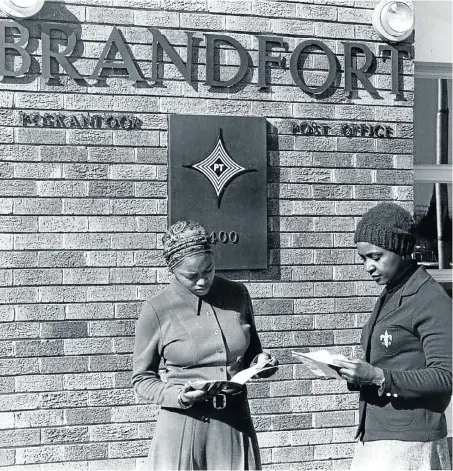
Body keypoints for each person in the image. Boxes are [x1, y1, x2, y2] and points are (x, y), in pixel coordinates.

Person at [132, 220, 278, 470]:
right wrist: (179, 396)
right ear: (173, 271)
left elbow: (253, 353)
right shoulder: (157, 309)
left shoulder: (238, 294)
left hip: (234, 422)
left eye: (208, 270)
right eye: (191, 276)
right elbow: (142, 379)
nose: (202, 281)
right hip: (183, 425)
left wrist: (262, 363)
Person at [333, 202, 452, 470]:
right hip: (376, 434)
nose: (368, 267)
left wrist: (378, 377)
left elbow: (446, 376)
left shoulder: (430, 300)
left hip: (409, 443)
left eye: (376, 256)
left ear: (402, 249)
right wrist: (353, 373)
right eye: (363, 258)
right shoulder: (391, 293)